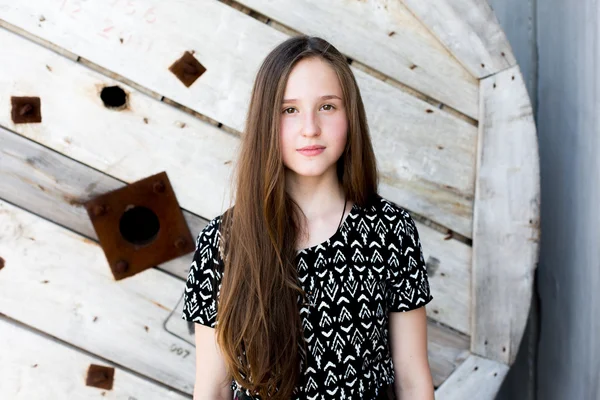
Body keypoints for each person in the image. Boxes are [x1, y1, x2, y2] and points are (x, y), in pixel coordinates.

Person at [181, 35, 434, 400]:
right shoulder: (222, 242)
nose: (310, 128)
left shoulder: (390, 230)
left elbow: (412, 379)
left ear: (350, 115)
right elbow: (213, 388)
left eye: (327, 107)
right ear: (265, 121)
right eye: (289, 110)